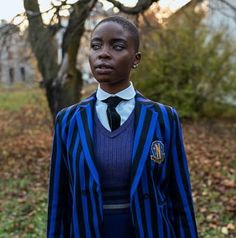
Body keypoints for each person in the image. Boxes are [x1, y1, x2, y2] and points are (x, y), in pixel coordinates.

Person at [47, 16, 198, 238]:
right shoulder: (68, 121)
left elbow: (180, 196)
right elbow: (58, 202)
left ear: (136, 59)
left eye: (117, 46)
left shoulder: (163, 118)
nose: (103, 53)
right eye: (96, 46)